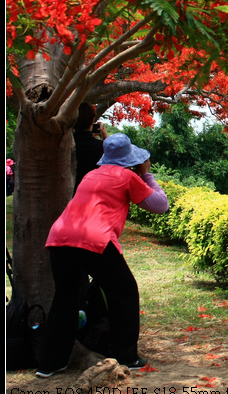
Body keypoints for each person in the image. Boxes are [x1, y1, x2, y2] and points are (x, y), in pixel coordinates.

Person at [36, 133, 169, 378]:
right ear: (131, 159)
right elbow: (161, 205)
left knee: (65, 299)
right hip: (94, 240)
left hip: (59, 238)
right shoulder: (128, 176)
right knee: (124, 293)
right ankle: (127, 355)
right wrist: (146, 172)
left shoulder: (91, 175)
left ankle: (50, 363)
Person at [73, 102, 107, 193]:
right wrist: (106, 140)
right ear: (92, 121)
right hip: (91, 198)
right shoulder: (102, 148)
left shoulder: (63, 146)